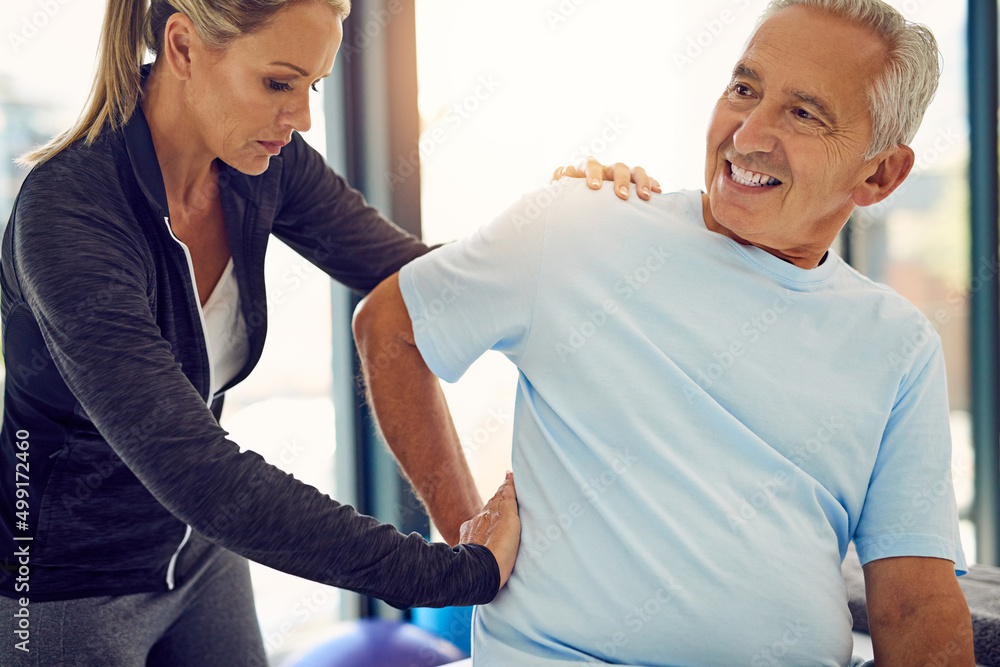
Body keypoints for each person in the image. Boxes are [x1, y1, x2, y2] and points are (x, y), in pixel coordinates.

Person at [0, 0, 655, 664]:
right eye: (279, 84)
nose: (303, 118)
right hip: (64, 585)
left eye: (312, 87)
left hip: (196, 557)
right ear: (184, 47)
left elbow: (419, 276)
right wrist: (453, 571)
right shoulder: (68, 217)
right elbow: (196, 471)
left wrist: (569, 230)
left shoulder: (258, 162)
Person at [353, 0, 976, 665]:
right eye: (744, 89)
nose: (749, 133)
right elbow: (392, 326)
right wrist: (466, 547)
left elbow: (914, 599)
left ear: (880, 174)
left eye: (803, 114)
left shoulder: (898, 343)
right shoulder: (583, 224)